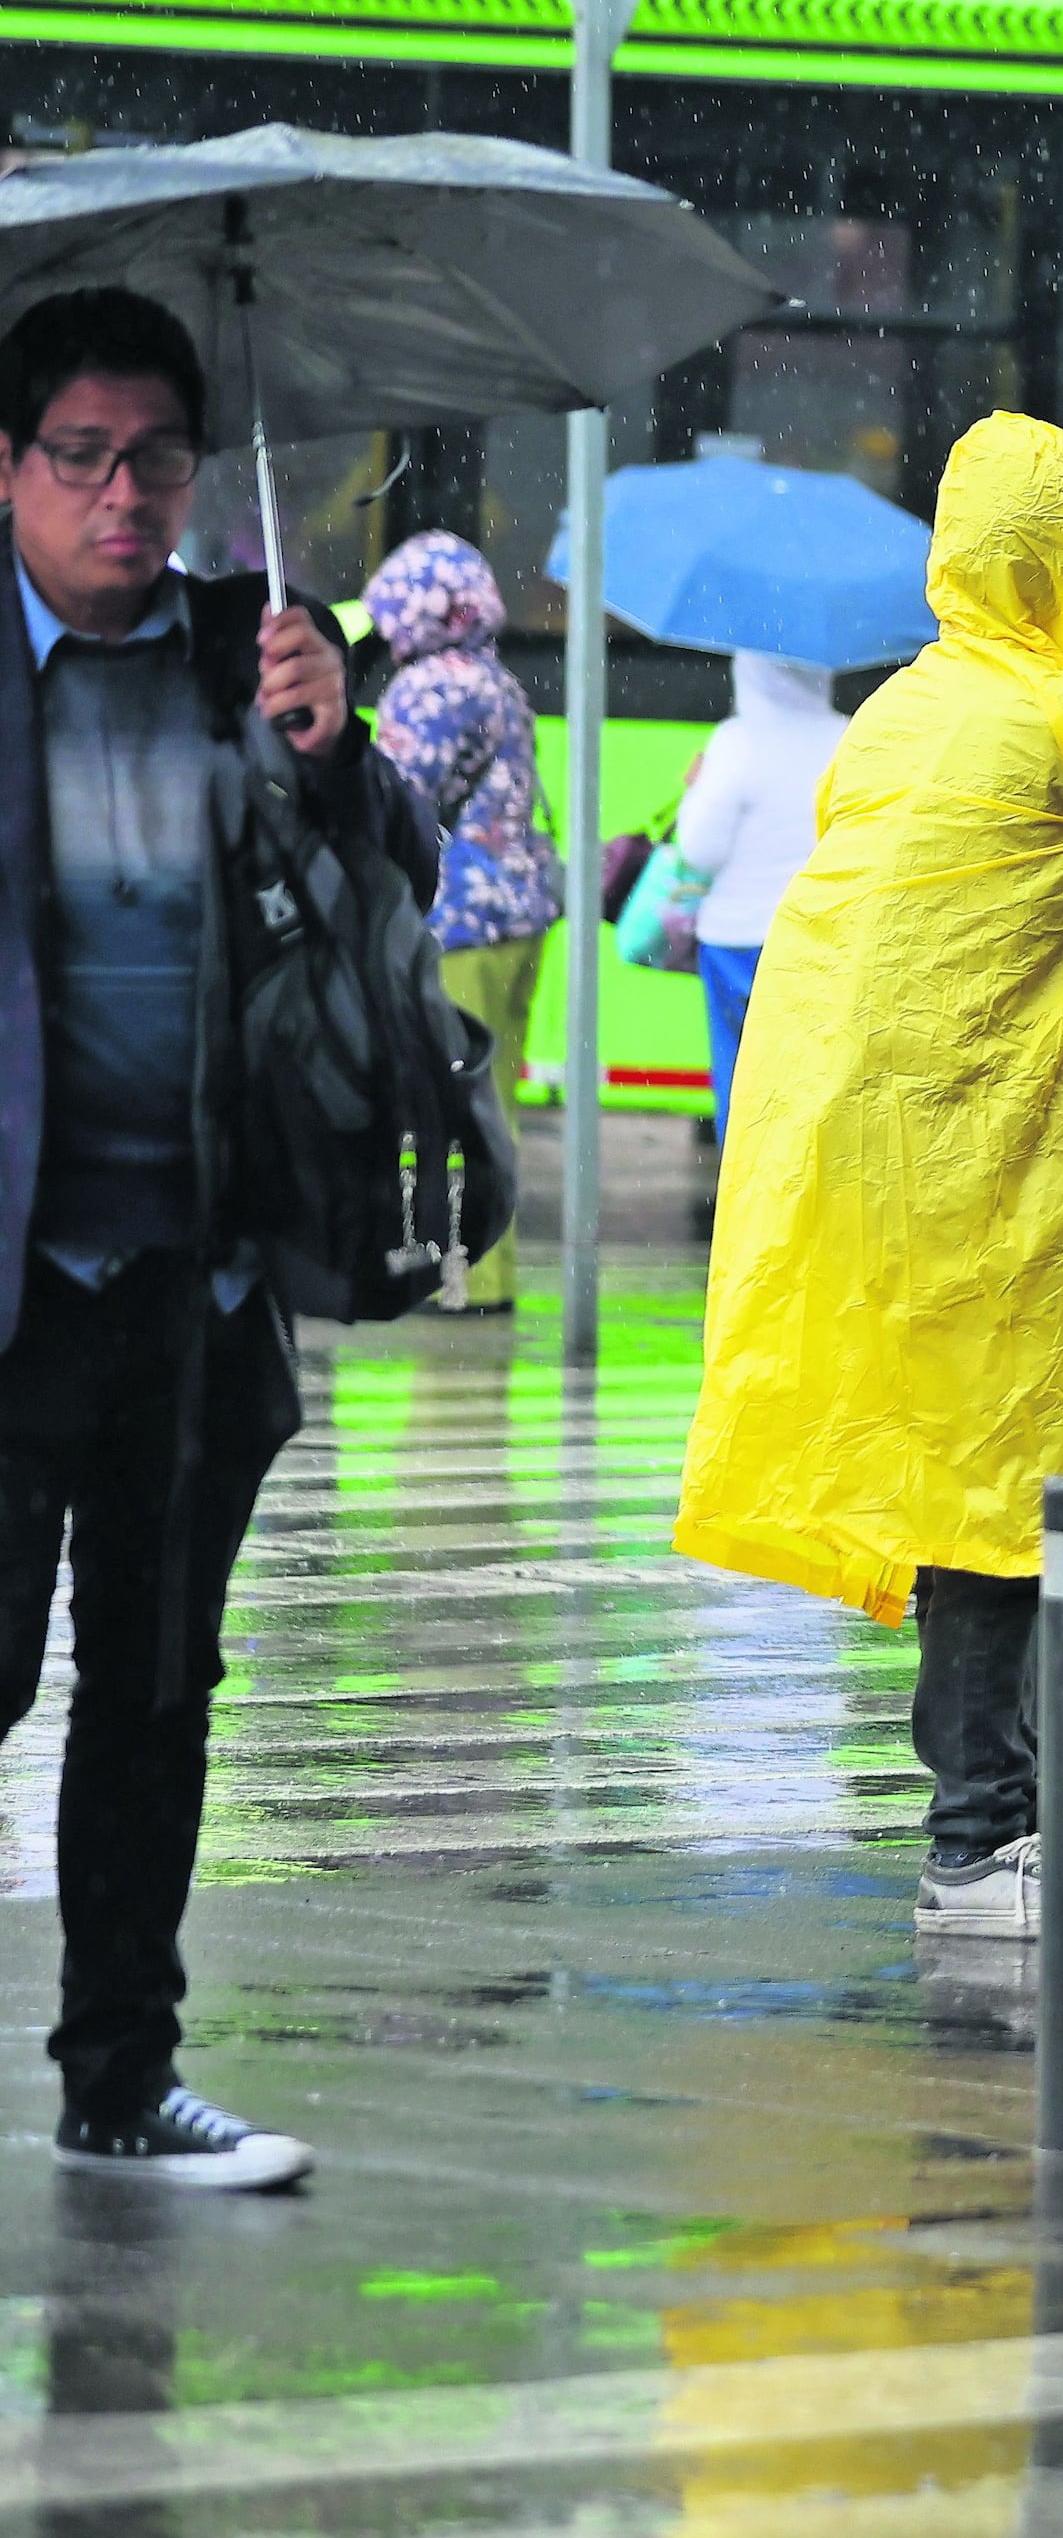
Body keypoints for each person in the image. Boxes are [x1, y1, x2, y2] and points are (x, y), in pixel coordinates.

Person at [681, 416, 1063, 1944]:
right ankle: (995, 1840)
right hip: (1025, 1168)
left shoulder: (893, 717)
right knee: (1047, 1492)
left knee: (970, 1501)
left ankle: (978, 1833)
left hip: (892, 1164)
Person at [0, 289, 418, 2188]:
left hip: (197, 1276)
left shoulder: (250, 658)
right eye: (80, 456)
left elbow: (379, 898)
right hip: (9, 1287)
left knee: (155, 1697)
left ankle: (121, 2076)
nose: (123, 496)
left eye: (155, 458)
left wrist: (331, 756)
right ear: (8, 467)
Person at [358, 534, 562, 1309]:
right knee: (492, 1094)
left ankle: (458, 1271)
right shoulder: (497, 681)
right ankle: (488, 1269)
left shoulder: (428, 689)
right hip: (520, 914)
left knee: (442, 1101)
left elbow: (393, 803)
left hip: (457, 917)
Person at [666, 652, 847, 1133]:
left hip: (738, 941)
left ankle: (746, 1199)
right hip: (825, 940)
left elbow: (699, 850)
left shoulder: (737, 741)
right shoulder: (851, 735)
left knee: (743, 1084)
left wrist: (693, 792)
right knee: (813, 1083)